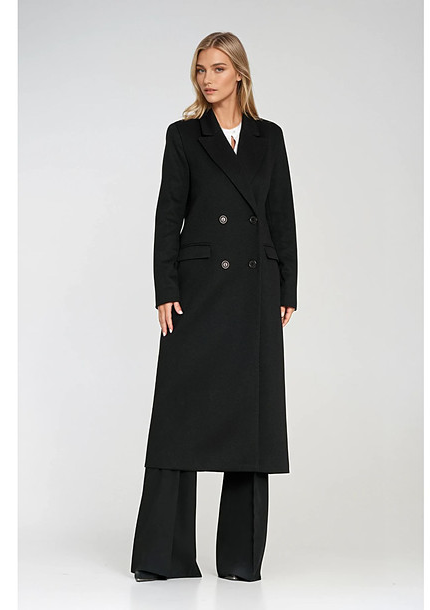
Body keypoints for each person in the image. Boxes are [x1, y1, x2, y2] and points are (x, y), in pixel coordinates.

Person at [130, 31, 298, 583]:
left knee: (250, 421)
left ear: (239, 74)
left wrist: (288, 288)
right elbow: (167, 215)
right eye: (201, 69)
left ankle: (240, 562)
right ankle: (164, 559)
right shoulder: (184, 136)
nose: (207, 79)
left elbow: (281, 215)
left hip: (255, 291)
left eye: (218, 68)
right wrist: (165, 287)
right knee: (177, 416)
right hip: (199, 291)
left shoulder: (269, 137)